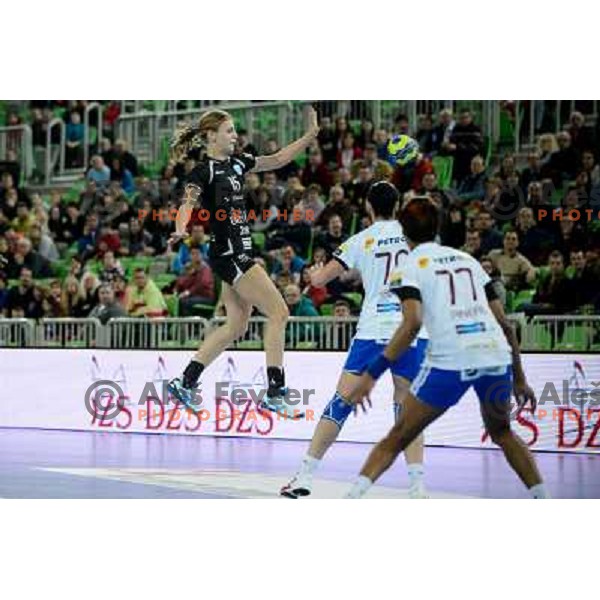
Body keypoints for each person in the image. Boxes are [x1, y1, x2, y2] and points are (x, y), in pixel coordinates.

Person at [343, 197, 549, 499]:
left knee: (398, 435)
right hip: (494, 356)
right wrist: (519, 378)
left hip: (451, 360)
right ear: (438, 226)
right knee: (503, 432)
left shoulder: (407, 267)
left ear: (404, 231)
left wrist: (371, 374)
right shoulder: (468, 260)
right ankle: (543, 499)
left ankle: (350, 499)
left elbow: (411, 324)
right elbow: (506, 326)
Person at [167, 107, 320, 418]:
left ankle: (185, 382)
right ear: (211, 136)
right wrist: (180, 229)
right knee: (279, 312)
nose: (235, 136)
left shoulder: (239, 163)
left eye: (235, 131)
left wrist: (308, 137)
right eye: (229, 131)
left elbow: (277, 159)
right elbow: (187, 204)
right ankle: (276, 392)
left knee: (237, 324)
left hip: (234, 254)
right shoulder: (203, 171)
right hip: (230, 254)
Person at [280, 182, 429, 499]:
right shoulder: (416, 233)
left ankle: (305, 476)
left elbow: (318, 280)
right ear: (399, 204)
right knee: (407, 406)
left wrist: (315, 271)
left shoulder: (361, 239)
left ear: (369, 208)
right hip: (412, 328)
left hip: (374, 329)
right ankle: (417, 486)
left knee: (341, 402)